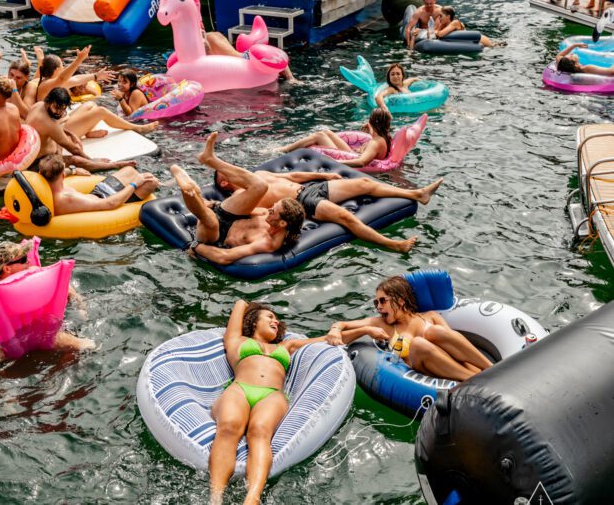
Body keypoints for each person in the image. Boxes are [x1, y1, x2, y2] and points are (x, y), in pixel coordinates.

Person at [208, 299, 367, 505]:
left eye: (276, 319)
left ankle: (252, 498)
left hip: (272, 395)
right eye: (270, 317)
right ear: (254, 322)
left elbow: (327, 340)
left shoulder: (287, 345)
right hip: (239, 389)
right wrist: (249, 305)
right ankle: (215, 498)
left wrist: (366, 331)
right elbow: (239, 305)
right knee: (228, 426)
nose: (276, 321)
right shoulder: (235, 340)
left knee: (259, 431)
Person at [204, 132, 444, 254]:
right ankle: (393, 244)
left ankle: (417, 194)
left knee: (363, 183)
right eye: (225, 174)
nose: (231, 172)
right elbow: (222, 212)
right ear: (224, 184)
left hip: (310, 189)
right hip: (303, 203)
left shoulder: (259, 177)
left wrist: (324, 176)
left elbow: (291, 176)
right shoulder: (239, 199)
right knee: (347, 218)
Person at [326, 275, 492, 382]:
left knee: (435, 331)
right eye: (376, 303)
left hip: (456, 366)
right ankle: (475, 380)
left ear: (400, 300)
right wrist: (335, 329)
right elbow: (344, 324)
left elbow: (458, 351)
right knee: (419, 343)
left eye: (382, 301)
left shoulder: (431, 316)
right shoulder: (382, 324)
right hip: (431, 371)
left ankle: (491, 370)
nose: (378, 307)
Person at [0, 241, 94, 366]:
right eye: (23, 260)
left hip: (44, 331)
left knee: (88, 346)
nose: (29, 262)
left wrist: (81, 308)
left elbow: (67, 288)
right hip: (1, 339)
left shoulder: (35, 272)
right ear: (7, 268)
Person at [172, 154, 305, 265]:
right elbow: (246, 210)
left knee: (210, 220)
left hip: (217, 238)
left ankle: (188, 189)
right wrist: (215, 204)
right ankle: (210, 160)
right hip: (230, 217)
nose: (268, 209)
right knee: (260, 186)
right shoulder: (266, 214)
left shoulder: (267, 243)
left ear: (282, 223)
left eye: (272, 211)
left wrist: (195, 246)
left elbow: (224, 257)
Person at [25, 87, 151, 173]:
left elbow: (56, 128)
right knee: (75, 159)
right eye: (57, 108)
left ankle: (88, 133)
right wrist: (91, 160)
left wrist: (72, 134)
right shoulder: (47, 123)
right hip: (38, 163)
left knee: (91, 106)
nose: (59, 112)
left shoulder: (38, 106)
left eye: (62, 109)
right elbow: (73, 149)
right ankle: (115, 165)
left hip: (45, 148)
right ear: (49, 101)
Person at [38, 153, 158, 215]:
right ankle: (160, 184)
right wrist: (134, 184)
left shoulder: (43, 185)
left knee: (129, 170)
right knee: (151, 182)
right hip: (108, 200)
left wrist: (74, 170)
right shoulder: (66, 198)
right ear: (62, 176)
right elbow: (110, 204)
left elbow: (55, 172)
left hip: (98, 192)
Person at [279, 108, 392, 166]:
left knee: (319, 136)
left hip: (350, 158)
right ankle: (286, 149)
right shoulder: (383, 137)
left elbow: (361, 162)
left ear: (373, 122)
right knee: (327, 132)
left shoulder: (375, 142)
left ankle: (284, 150)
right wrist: (369, 126)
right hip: (353, 153)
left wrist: (335, 162)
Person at [203, 30, 297, 81]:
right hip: (245, 58)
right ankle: (291, 78)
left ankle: (291, 78)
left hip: (241, 61)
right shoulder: (214, 36)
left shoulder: (209, 38)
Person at [35, 46, 114, 102]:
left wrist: (96, 76)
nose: (64, 68)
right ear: (57, 69)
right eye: (62, 65)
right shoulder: (45, 85)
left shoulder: (57, 84)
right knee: (99, 110)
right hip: (47, 122)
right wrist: (79, 59)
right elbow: (62, 78)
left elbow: (76, 79)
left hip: (56, 118)